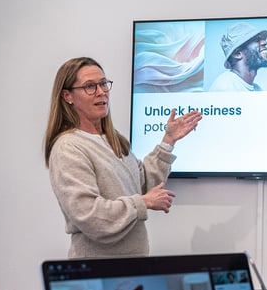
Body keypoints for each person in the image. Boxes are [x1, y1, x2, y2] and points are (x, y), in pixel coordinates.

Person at [44, 57, 202, 258]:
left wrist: (168, 140)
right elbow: (90, 215)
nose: (101, 91)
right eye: (90, 86)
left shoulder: (113, 140)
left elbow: (143, 185)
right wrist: (142, 203)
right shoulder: (69, 147)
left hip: (133, 263)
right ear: (68, 96)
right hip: (97, 271)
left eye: (103, 83)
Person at [209, 22, 267, 91]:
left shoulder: (258, 89)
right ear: (237, 54)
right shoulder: (225, 86)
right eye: (256, 40)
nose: (264, 42)